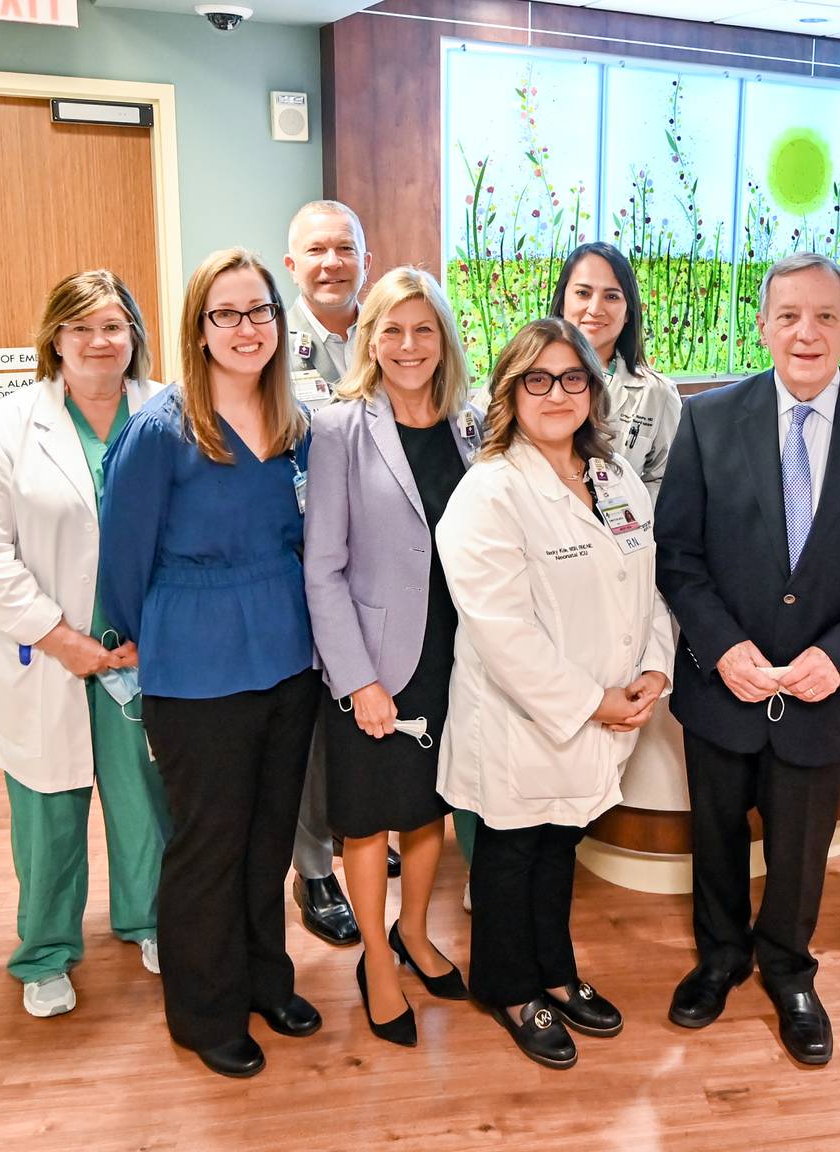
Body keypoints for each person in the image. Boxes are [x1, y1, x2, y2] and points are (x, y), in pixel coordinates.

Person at [655, 252, 840, 1066]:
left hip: (825, 697)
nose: (805, 333)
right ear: (764, 325)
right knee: (713, 835)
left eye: (823, 316)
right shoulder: (709, 419)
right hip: (722, 686)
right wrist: (722, 645)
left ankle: (788, 970)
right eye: (788, 316)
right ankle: (719, 958)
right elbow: (678, 555)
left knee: (802, 848)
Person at [99, 249, 322, 1078]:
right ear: (199, 327)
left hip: (287, 656)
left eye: (259, 311)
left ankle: (267, 978)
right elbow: (122, 562)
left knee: (269, 837)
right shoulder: (163, 430)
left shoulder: (296, 423)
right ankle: (203, 1011)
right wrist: (140, 631)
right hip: (196, 665)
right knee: (209, 842)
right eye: (225, 313)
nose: (246, 328)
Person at [437, 318, 674, 1070]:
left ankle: (556, 972)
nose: (556, 393)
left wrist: (656, 668)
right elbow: (505, 635)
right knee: (512, 853)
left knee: (558, 846)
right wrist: (593, 701)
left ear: (593, 390)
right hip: (523, 721)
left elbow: (650, 585)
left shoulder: (612, 476)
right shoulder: (491, 491)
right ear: (509, 392)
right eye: (536, 379)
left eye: (573, 378)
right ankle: (509, 987)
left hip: (603, 713)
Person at [0, 271, 168, 1019]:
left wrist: (158, 627)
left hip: (139, 651)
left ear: (134, 332)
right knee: (48, 809)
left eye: (113, 326)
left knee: (144, 799)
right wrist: (59, 636)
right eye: (81, 328)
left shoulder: (169, 411)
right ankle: (44, 952)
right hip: (44, 654)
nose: (99, 341)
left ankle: (148, 919)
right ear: (55, 338)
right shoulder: (4, 427)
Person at [305, 268, 483, 1047]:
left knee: (430, 807)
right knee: (370, 817)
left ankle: (414, 931)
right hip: (377, 658)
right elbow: (323, 568)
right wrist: (358, 681)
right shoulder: (341, 427)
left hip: (457, 653)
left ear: (443, 339)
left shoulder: (471, 424)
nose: (409, 346)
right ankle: (376, 956)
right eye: (392, 330)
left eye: (423, 329)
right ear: (369, 340)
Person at [283, 198, 381, 946]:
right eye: (316, 251)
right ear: (293, 266)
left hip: (379, 566)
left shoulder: (392, 340)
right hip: (296, 565)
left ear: (364, 262)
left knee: (372, 707)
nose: (330, 263)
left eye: (344, 249)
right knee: (317, 723)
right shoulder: (269, 350)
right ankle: (313, 868)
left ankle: (362, 836)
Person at [548, 241, 682, 501]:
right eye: (583, 293)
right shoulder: (519, 374)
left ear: (629, 311)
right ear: (562, 302)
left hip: (621, 535)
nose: (595, 309)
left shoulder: (657, 393)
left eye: (611, 296)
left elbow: (667, 477)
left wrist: (630, 518)